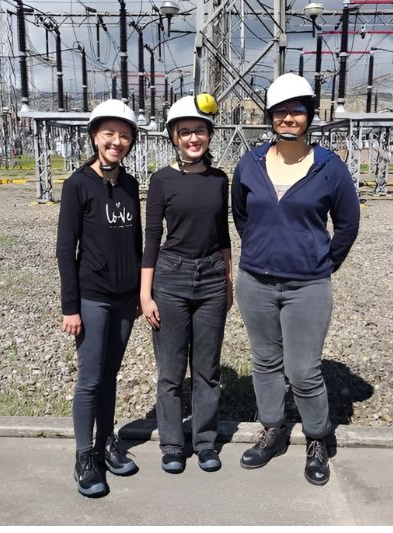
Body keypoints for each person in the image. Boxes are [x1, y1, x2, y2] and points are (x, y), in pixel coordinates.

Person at [230, 73, 360, 486]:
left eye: (296, 111)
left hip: (307, 286)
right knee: (265, 362)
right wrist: (259, 249)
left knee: (303, 369)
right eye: (281, 111)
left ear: (309, 116)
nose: (288, 118)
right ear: (271, 117)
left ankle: (317, 437)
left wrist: (321, 262)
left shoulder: (329, 167)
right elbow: (241, 216)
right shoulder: (249, 164)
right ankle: (272, 428)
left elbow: (347, 224)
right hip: (255, 282)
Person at [140, 94, 232, 474]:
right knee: (171, 370)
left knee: (208, 369)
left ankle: (206, 441)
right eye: (185, 132)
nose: (193, 138)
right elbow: (150, 237)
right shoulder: (161, 180)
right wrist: (145, 293)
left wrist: (229, 280)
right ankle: (173, 444)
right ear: (174, 138)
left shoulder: (219, 179)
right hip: (171, 277)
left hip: (211, 277)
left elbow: (222, 233)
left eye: (199, 131)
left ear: (208, 135)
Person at [56, 99, 143, 498]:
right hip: (92, 297)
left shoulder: (129, 184)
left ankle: (107, 442)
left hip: (126, 300)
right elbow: (64, 248)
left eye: (124, 135)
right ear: (94, 137)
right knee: (90, 378)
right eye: (109, 134)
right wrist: (70, 306)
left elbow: (138, 241)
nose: (116, 141)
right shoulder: (77, 185)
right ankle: (84, 455)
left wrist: (142, 293)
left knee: (110, 375)